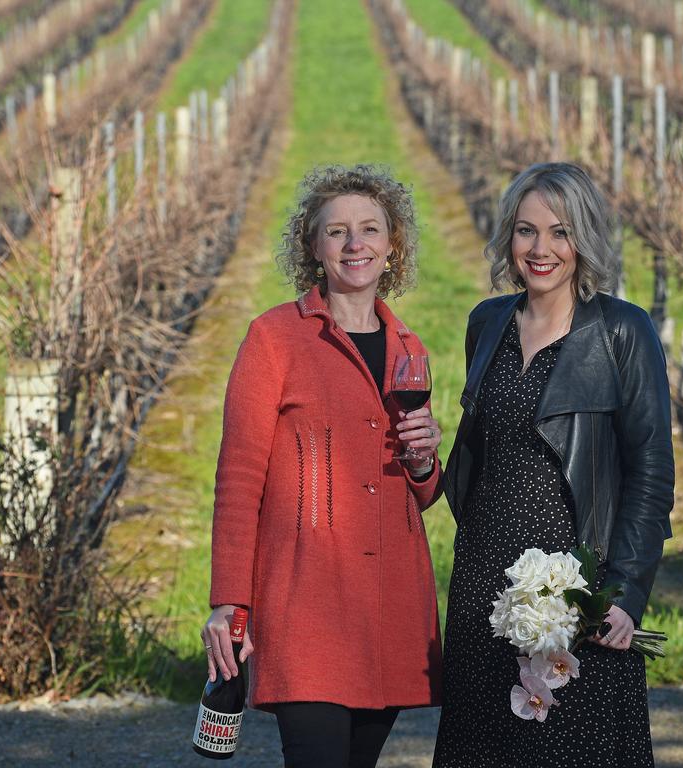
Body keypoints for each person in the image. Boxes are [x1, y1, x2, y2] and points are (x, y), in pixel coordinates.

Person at [201, 164, 444, 768]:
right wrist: (229, 601)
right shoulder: (274, 338)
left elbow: (425, 491)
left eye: (369, 230)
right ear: (313, 247)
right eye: (336, 232)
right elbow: (238, 476)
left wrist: (423, 459)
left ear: (393, 248)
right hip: (304, 604)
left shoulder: (409, 348)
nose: (354, 244)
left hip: (389, 606)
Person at [433, 162, 675, 767]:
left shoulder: (623, 330)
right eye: (525, 231)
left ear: (584, 239)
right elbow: (483, 455)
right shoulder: (487, 323)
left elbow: (650, 475)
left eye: (559, 232)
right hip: (484, 585)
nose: (540, 249)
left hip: (576, 592)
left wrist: (623, 594)